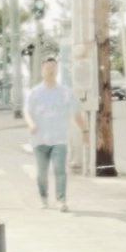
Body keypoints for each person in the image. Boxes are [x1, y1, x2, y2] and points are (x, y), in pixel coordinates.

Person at [25, 57, 85, 212]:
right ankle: (44, 198)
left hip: (59, 138)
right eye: (48, 68)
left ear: (57, 70)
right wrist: (31, 124)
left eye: (54, 68)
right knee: (41, 174)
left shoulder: (65, 92)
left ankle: (61, 200)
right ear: (42, 71)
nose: (51, 70)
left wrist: (85, 131)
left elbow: (75, 114)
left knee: (60, 170)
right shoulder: (34, 93)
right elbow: (27, 111)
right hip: (39, 139)